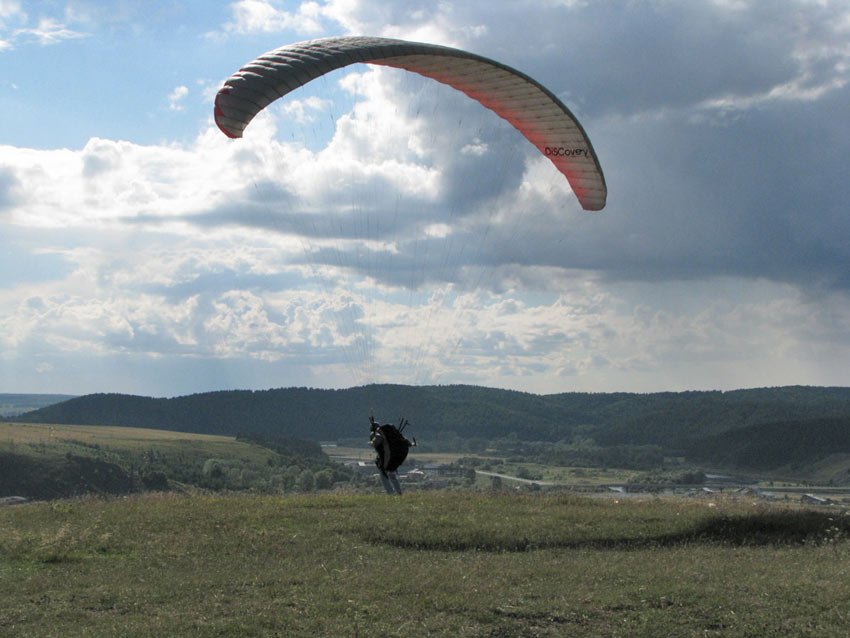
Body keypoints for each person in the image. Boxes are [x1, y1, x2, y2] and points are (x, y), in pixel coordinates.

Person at [369, 415, 415, 495]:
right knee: (392, 475)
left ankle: (390, 492)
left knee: (384, 476)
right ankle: (399, 492)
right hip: (393, 459)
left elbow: (377, 441)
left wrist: (372, 440)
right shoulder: (392, 434)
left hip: (385, 459)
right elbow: (403, 440)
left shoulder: (379, 433)